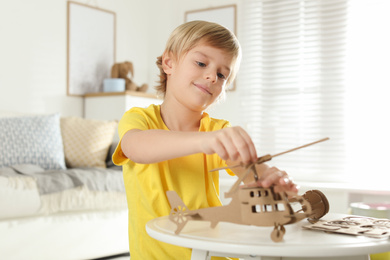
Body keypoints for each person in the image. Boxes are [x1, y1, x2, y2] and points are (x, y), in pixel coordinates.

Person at [112, 20, 298, 260]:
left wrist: (272, 181)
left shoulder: (218, 131)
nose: (212, 76)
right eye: (201, 63)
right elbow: (135, 147)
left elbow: (254, 170)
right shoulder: (140, 119)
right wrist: (203, 141)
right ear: (169, 63)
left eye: (222, 75)